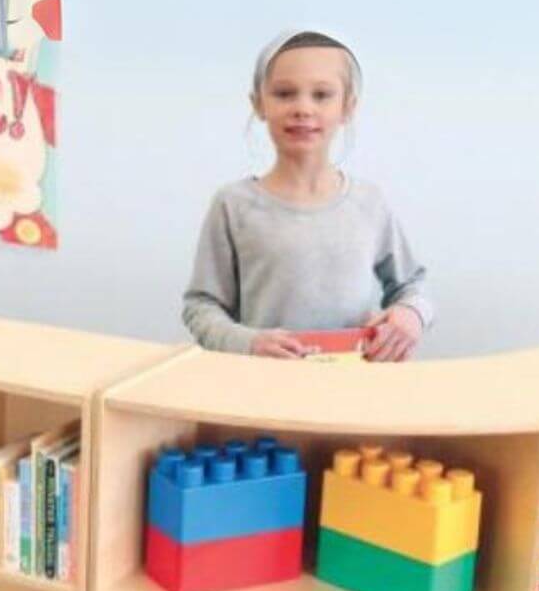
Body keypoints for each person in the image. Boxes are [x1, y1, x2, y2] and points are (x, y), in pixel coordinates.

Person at [182, 30, 432, 361]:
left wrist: (411, 316)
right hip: (260, 395)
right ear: (258, 103)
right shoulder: (233, 205)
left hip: (354, 393)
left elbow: (412, 287)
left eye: (322, 95)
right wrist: (248, 342)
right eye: (284, 93)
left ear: (348, 107)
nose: (302, 108)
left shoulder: (370, 203)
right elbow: (201, 307)